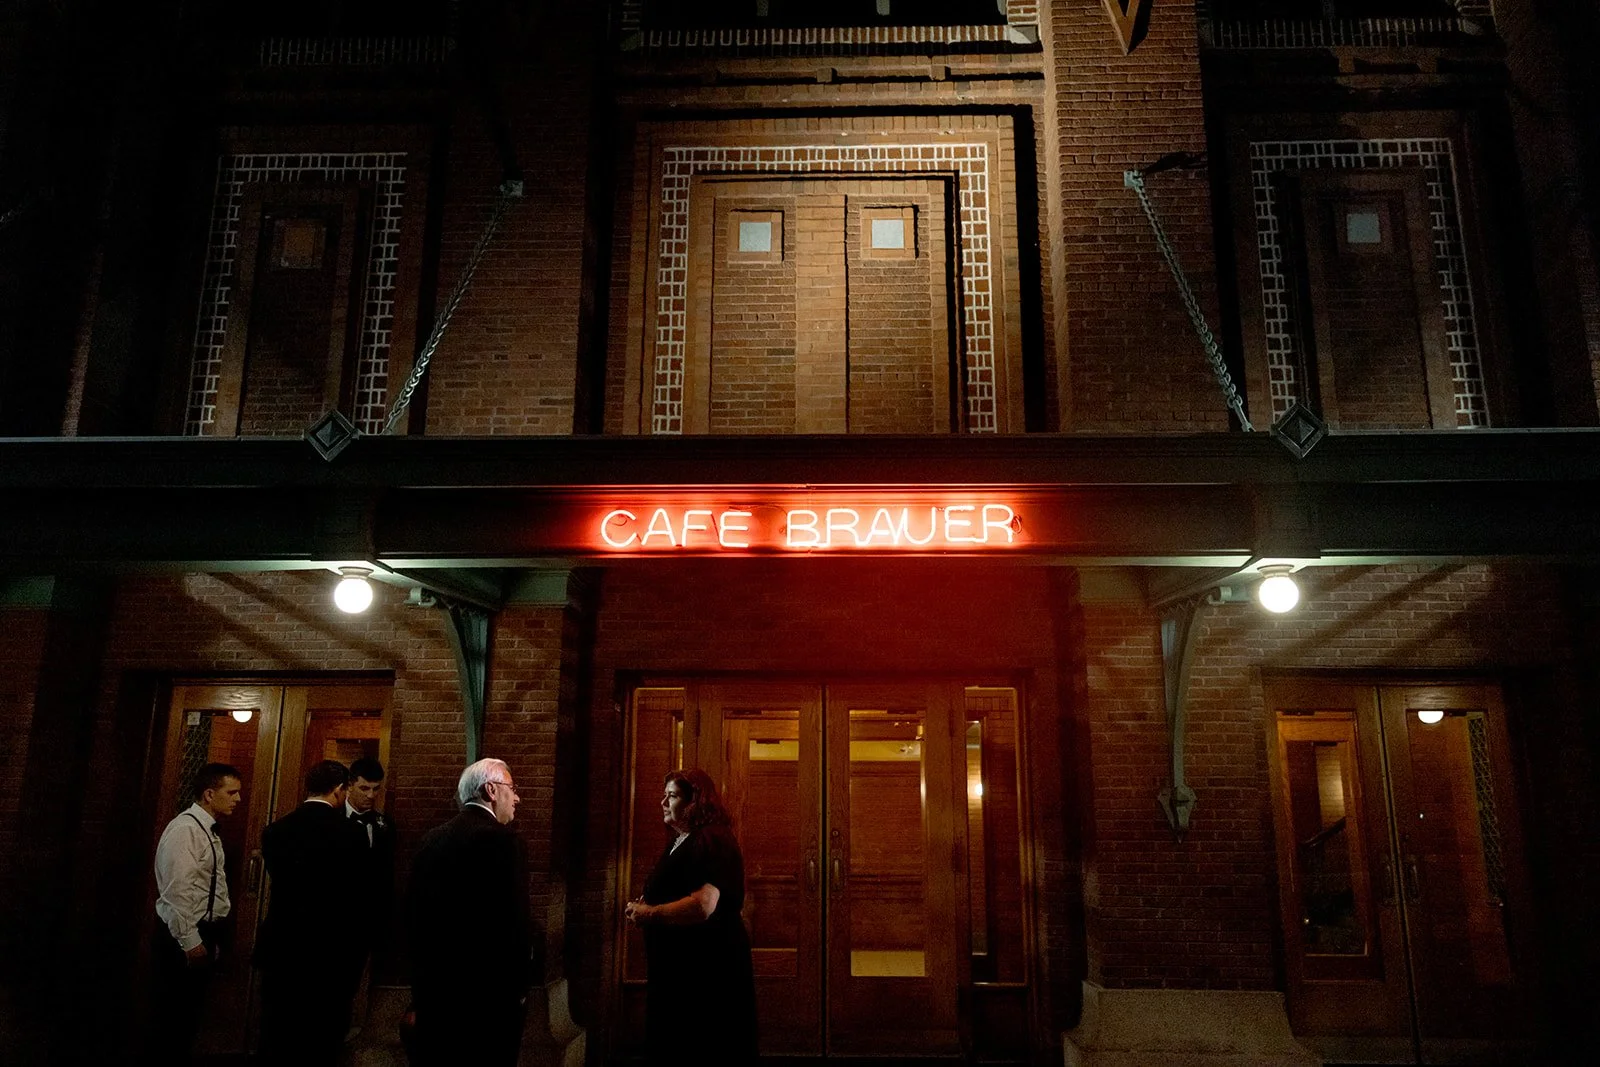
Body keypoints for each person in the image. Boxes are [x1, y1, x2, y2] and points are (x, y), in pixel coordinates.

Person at [625, 769, 758, 1066]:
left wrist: (649, 913)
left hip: (703, 970)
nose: (662, 802)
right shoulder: (682, 840)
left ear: (694, 802)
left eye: (671, 796)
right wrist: (644, 904)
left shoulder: (712, 840)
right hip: (683, 968)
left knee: (700, 1046)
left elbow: (703, 905)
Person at [405, 758, 532, 1067]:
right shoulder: (504, 842)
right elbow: (513, 922)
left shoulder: (429, 840)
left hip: (435, 994)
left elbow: (415, 921)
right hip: (488, 998)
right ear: (491, 790)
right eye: (512, 789)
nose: (516, 798)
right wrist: (519, 988)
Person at [255, 759, 357, 1067]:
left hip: (282, 941)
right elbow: (354, 892)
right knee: (320, 1035)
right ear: (339, 790)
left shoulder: (275, 831)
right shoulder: (349, 833)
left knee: (277, 1028)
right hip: (327, 947)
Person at [143, 761, 243, 1067]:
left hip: (204, 930)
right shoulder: (186, 829)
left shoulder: (206, 829)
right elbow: (177, 892)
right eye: (232, 792)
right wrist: (190, 940)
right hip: (182, 936)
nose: (238, 799)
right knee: (174, 1015)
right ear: (210, 794)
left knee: (189, 1015)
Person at [343, 756, 397, 1035]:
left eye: (376, 789)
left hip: (370, 917)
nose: (371, 795)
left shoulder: (383, 824)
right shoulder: (333, 821)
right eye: (364, 789)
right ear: (349, 786)